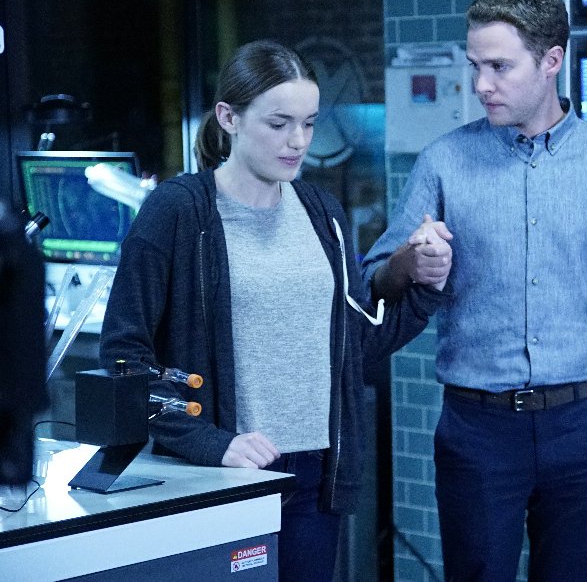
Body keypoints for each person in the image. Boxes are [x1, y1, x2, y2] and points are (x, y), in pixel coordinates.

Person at [99, 39, 452, 581]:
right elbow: (124, 357)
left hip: (314, 474)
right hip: (219, 475)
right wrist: (209, 443)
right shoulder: (178, 211)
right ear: (229, 118)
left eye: (308, 123)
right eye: (279, 123)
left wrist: (426, 289)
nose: (298, 141)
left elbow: (354, 344)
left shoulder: (321, 212)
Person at [363, 0, 587, 581]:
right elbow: (374, 275)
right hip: (478, 430)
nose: (481, 85)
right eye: (475, 65)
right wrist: (410, 265)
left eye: (499, 66)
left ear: (551, 61)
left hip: (585, 425)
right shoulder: (443, 161)